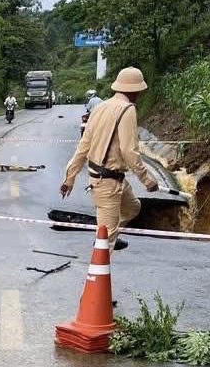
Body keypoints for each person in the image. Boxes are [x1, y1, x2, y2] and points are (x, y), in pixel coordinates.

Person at [60, 67, 158, 251]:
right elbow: (129, 151)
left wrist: (69, 178)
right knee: (106, 243)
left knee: (133, 207)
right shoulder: (127, 110)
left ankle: (107, 232)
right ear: (135, 90)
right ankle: (97, 268)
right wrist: (147, 180)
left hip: (110, 178)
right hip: (107, 182)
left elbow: (83, 147)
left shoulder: (100, 107)